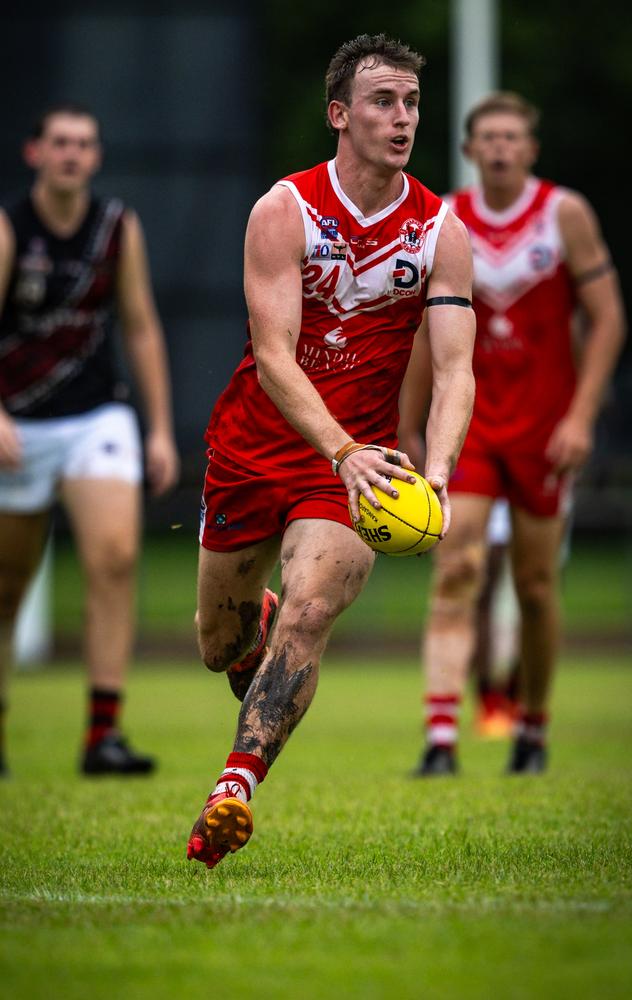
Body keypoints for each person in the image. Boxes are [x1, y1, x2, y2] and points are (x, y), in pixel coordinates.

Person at [185, 33, 476, 869]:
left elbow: (456, 368)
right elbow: (274, 357)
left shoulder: (438, 230)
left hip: (361, 464)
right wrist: (340, 445)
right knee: (218, 645)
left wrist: (439, 473)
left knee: (312, 613)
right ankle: (257, 623)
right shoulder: (285, 211)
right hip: (255, 446)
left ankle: (232, 791)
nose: (402, 118)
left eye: (413, 103)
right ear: (338, 115)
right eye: (383, 102)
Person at [400, 91, 626, 776]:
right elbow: (418, 332)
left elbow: (608, 320)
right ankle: (441, 738)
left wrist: (582, 418)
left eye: (511, 137)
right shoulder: (443, 219)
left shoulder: (565, 215)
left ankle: (532, 729)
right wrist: (409, 424)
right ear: (470, 150)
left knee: (533, 586)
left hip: (544, 432)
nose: (499, 148)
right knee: (456, 567)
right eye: (487, 137)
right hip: (470, 428)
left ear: (530, 149)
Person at [0, 103, 179, 776]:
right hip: (18, 423)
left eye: (83, 144)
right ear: (36, 153)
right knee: (8, 584)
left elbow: (140, 327)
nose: (72, 154)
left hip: (96, 416)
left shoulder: (116, 226)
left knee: (114, 558)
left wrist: (158, 430)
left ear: (96, 157)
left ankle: (102, 734)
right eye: (60, 143)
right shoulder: (10, 227)